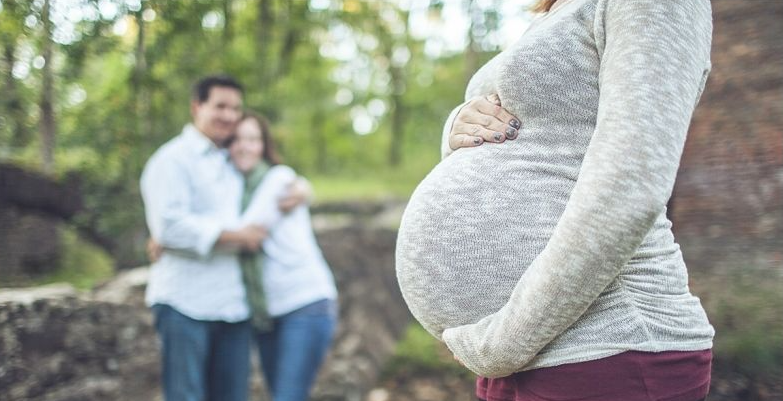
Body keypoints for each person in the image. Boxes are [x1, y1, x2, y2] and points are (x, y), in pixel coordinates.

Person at [396, 0, 715, 400]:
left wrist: (501, 343)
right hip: (527, 353)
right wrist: (458, 128)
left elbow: (630, 187)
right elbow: (544, 135)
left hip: (608, 347)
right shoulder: (558, 10)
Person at [140, 75, 308, 401]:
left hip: (233, 306)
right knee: (185, 395)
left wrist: (303, 190)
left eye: (235, 108)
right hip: (183, 303)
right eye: (220, 106)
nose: (229, 116)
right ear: (197, 107)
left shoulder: (232, 161)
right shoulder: (172, 159)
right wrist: (237, 236)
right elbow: (169, 226)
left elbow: (277, 180)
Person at [229, 112, 338, 401]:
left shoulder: (279, 178)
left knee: (288, 396)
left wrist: (176, 237)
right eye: (237, 139)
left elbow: (248, 233)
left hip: (305, 304)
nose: (245, 147)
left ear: (264, 145)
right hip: (268, 313)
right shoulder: (232, 188)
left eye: (253, 139)